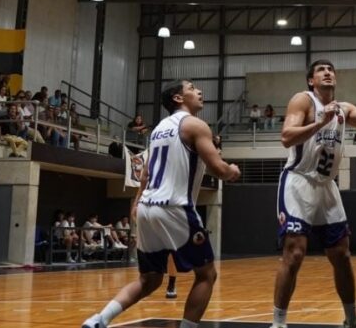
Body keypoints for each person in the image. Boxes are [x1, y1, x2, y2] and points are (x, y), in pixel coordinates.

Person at [82, 79, 241, 328]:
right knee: (207, 274)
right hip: (175, 207)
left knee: (149, 279)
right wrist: (231, 170)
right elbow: (218, 169)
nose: (199, 91)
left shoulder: (157, 130)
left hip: (147, 207)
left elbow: (145, 173)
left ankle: (99, 319)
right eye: (191, 88)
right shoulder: (195, 125)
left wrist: (135, 204)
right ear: (178, 98)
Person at [271, 59, 356, 328]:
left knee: (341, 255)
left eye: (331, 70)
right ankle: (278, 323)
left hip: (327, 186)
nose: (328, 72)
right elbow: (286, 136)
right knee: (295, 253)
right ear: (311, 80)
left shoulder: (344, 109)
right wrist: (320, 122)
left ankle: (352, 319)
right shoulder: (303, 100)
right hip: (299, 180)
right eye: (321, 70)